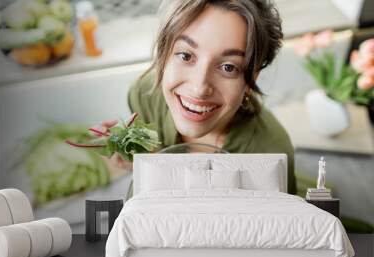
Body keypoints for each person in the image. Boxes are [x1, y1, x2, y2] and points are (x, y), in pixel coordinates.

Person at [96, 0, 297, 194]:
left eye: (228, 67)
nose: (199, 88)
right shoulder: (145, 95)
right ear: (164, 53)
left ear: (251, 80)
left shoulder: (270, 153)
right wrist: (146, 161)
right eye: (185, 55)